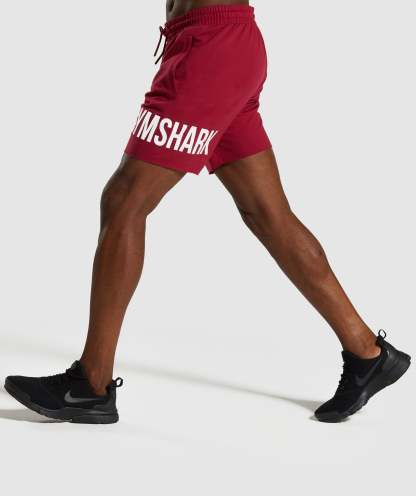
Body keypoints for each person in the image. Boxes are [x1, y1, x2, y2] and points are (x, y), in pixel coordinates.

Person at [4, 0, 410, 424]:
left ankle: (91, 384)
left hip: (212, 51)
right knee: (267, 214)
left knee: (124, 200)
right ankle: (367, 352)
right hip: (209, 45)